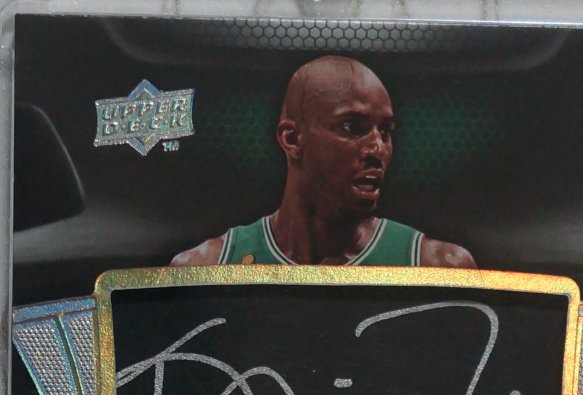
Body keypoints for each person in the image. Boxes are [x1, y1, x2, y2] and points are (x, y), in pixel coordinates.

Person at [172, 56, 476, 268]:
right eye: (352, 127)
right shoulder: (206, 267)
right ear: (292, 139)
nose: (378, 149)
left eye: (385, 132)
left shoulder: (436, 266)